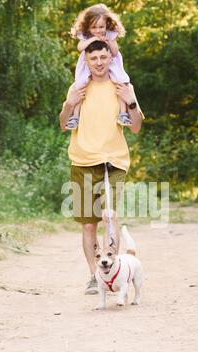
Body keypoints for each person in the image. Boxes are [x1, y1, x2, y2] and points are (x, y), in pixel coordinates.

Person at [59, 39, 143, 295]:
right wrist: (68, 103)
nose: (98, 63)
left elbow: (136, 126)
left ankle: (115, 273)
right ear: (86, 60)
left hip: (114, 160)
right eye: (93, 58)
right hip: (83, 159)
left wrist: (130, 101)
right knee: (88, 225)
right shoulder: (78, 88)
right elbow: (64, 124)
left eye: (103, 58)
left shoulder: (122, 86)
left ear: (110, 58)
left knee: (110, 215)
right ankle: (95, 277)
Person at [65, 3, 132, 130]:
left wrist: (109, 41)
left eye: (101, 27)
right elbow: (80, 48)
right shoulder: (86, 35)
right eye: (94, 27)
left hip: (111, 62)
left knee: (121, 82)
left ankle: (123, 113)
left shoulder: (110, 34)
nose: (98, 30)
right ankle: (75, 117)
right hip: (87, 63)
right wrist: (93, 39)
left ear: (106, 24)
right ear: (88, 26)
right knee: (80, 84)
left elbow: (115, 51)